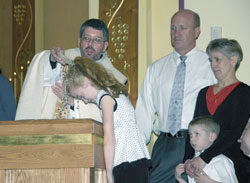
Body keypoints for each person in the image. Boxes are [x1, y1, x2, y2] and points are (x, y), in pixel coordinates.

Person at [135, 9, 216, 182]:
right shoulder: (155, 69)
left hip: (199, 145)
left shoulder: (210, 66)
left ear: (197, 32)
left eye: (182, 28)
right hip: (165, 145)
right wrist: (136, 152)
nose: (176, 33)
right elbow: (143, 113)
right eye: (172, 28)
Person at [15, 19, 127, 120]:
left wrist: (73, 102)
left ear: (105, 46)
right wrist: (52, 58)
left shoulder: (113, 78)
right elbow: (43, 76)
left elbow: (112, 114)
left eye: (97, 40)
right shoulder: (66, 58)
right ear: (79, 41)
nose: (90, 44)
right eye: (86, 38)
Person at [63, 56, 151, 183]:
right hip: (135, 161)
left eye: (81, 96)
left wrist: (109, 174)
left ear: (86, 80)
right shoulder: (110, 92)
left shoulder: (105, 98)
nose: (84, 101)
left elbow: (109, 138)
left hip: (127, 163)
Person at [184, 38, 250, 182]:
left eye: (217, 59)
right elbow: (193, 129)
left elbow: (234, 132)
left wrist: (204, 158)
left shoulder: (244, 92)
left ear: (234, 60)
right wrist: (187, 161)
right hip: (200, 166)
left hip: (232, 166)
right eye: (211, 60)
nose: (213, 65)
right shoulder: (203, 93)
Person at [175, 116, 238, 183]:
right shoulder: (193, 160)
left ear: (211, 137)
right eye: (190, 135)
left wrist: (209, 181)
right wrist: (179, 178)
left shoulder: (222, 161)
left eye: (197, 134)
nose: (192, 139)